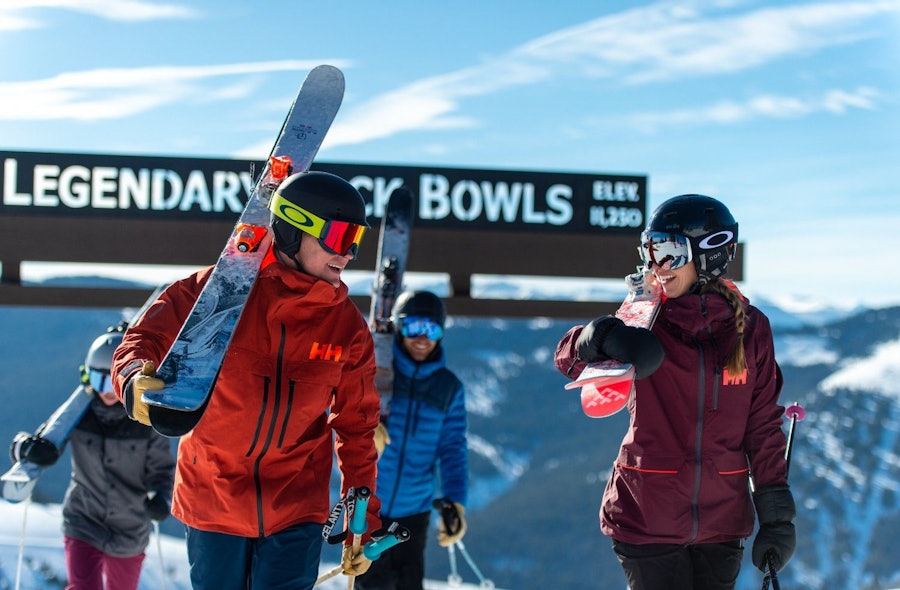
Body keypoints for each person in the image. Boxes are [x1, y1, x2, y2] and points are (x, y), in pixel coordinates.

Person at [111, 171, 383, 590]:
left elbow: (357, 427)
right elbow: (141, 340)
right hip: (212, 494)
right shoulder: (219, 291)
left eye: (355, 240)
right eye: (340, 237)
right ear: (293, 230)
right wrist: (132, 380)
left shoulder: (345, 327)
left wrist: (362, 520)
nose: (348, 254)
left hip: (297, 503)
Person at [554, 194, 796, 590]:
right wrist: (598, 337)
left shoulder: (751, 328)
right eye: (649, 250)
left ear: (708, 255)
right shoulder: (644, 316)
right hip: (646, 516)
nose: (655, 266)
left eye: (667, 252)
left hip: (722, 523)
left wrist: (776, 516)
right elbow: (569, 360)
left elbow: (763, 427)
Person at [10, 323, 176, 590]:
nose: (107, 392)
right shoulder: (77, 414)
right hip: (83, 520)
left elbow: (162, 469)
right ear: (86, 379)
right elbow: (41, 439)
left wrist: (160, 497)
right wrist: (27, 448)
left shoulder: (144, 423)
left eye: (112, 382)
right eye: (98, 381)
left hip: (129, 527)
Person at [356, 290, 469, 590]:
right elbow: (340, 412)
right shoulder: (378, 374)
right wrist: (365, 426)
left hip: (414, 514)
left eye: (431, 329)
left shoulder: (448, 388)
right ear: (398, 328)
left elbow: (453, 450)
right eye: (413, 327)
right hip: (370, 508)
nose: (422, 338)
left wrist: (455, 502)